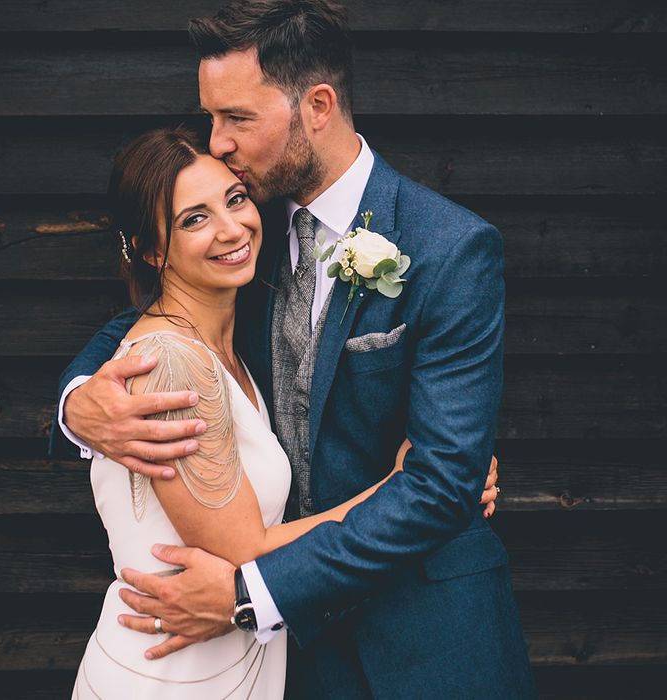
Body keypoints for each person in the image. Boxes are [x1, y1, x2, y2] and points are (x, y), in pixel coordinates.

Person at [54, 1, 536, 697]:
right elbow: (144, 318)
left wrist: (249, 592)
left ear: (316, 105)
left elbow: (441, 487)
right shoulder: (242, 222)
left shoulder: (450, 248)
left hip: (426, 641)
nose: (217, 142)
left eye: (237, 119)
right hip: (286, 662)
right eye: (212, 118)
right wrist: (79, 404)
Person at [71, 126, 414, 698]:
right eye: (193, 219)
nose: (233, 228)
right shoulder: (168, 364)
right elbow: (243, 550)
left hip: (234, 662)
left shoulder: (226, 344)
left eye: (234, 199)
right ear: (153, 250)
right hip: (169, 673)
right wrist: (406, 489)